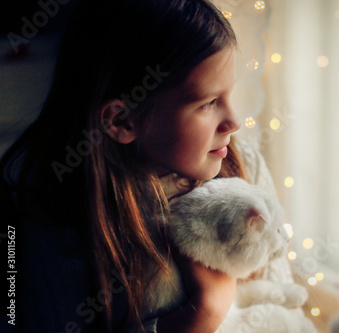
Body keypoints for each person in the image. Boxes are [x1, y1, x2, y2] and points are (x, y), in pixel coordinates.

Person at [0, 0, 252, 331]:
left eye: (229, 95)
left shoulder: (237, 162)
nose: (234, 122)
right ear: (121, 120)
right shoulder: (50, 223)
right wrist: (205, 310)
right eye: (207, 103)